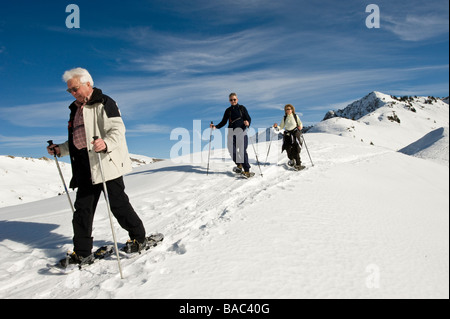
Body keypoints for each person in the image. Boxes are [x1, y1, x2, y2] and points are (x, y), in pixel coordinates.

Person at [47, 67, 147, 267]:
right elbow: (77, 140)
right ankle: (82, 252)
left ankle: (139, 238)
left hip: (105, 162)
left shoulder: (105, 102)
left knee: (118, 205)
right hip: (84, 166)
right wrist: (60, 149)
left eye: (75, 89)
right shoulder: (75, 109)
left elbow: (118, 130)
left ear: (88, 84)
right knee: (82, 210)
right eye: (70, 91)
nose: (72, 93)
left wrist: (106, 143)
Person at [210, 93, 252, 177]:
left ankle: (246, 170)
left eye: (234, 99)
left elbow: (248, 118)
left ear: (237, 99)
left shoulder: (242, 108)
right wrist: (215, 127)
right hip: (231, 133)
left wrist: (247, 123)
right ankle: (239, 164)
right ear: (229, 101)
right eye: (231, 100)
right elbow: (223, 122)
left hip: (241, 132)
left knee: (242, 151)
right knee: (231, 151)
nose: (233, 101)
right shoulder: (228, 110)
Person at [274, 104, 304, 170]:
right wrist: (276, 127)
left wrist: (300, 127)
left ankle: (298, 164)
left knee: (295, 148)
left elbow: (300, 123)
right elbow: (281, 126)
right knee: (288, 148)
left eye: (289, 109)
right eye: (286, 109)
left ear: (292, 110)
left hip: (295, 133)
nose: (288, 110)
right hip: (287, 134)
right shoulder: (284, 118)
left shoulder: (295, 116)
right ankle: (292, 159)